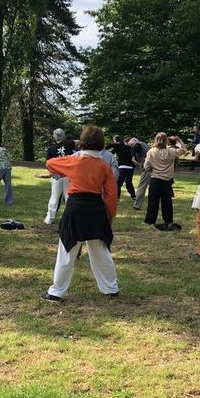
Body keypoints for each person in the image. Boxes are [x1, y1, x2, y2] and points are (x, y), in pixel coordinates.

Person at [43, 125, 119, 302]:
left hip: (75, 207)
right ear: (101, 143)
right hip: (95, 208)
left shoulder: (73, 161)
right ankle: (110, 288)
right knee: (100, 251)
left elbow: (50, 163)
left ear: (82, 142)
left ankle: (56, 292)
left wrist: (72, 147)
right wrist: (111, 215)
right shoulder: (103, 165)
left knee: (67, 250)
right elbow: (111, 194)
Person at [143, 133, 187, 231]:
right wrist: (179, 140)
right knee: (167, 202)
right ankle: (168, 221)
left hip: (155, 179)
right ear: (166, 140)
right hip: (167, 180)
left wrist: (152, 171)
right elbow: (183, 150)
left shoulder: (151, 151)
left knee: (152, 202)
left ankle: (150, 221)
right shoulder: (170, 151)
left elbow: (146, 166)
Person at [44, 128, 76, 224]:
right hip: (68, 174)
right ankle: (70, 218)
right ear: (64, 135)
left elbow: (48, 164)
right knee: (68, 197)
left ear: (54, 136)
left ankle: (49, 218)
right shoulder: (70, 144)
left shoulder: (51, 148)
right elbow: (79, 142)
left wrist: (52, 173)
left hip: (56, 175)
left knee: (54, 196)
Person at [108, 135, 136, 200]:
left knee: (119, 184)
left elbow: (112, 150)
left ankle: (117, 198)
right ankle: (133, 196)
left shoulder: (119, 146)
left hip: (122, 167)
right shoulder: (130, 148)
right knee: (129, 183)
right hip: (130, 168)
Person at [128, 137, 151, 210]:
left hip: (147, 167)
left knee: (142, 186)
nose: (131, 147)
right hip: (152, 166)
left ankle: (137, 205)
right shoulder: (145, 145)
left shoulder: (137, 144)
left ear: (135, 142)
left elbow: (136, 147)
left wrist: (133, 158)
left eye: (131, 145)